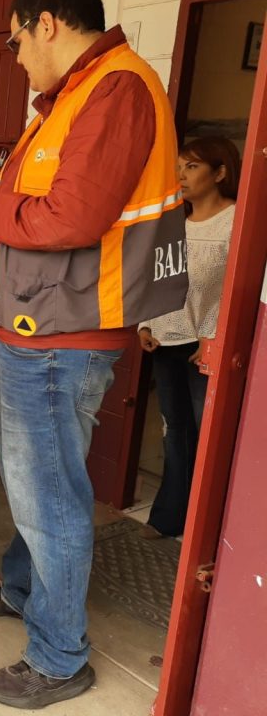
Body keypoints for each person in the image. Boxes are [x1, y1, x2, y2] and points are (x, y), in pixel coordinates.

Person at [0, 0, 187, 709]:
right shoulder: (80, 94)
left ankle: (59, 656)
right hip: (40, 329)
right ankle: (22, 590)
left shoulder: (116, 89)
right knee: (37, 485)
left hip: (61, 337)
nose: (15, 58)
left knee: (52, 497)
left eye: (15, 41)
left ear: (47, 24)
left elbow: (70, 219)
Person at [138, 137, 239, 539]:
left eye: (192, 167)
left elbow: (237, 291)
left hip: (207, 348)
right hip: (165, 343)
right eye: (179, 166)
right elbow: (154, 278)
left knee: (210, 437)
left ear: (220, 173)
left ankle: (207, 531)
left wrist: (215, 338)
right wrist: (144, 324)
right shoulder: (173, 222)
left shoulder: (236, 224)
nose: (181, 175)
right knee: (174, 430)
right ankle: (167, 518)